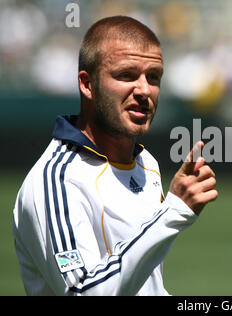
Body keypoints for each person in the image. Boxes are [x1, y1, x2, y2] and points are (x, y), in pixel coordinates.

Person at [12, 16, 218, 296]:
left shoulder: (147, 164)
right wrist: (173, 212)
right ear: (87, 84)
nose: (144, 90)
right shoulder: (56, 181)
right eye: (126, 75)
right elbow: (84, 292)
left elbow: (146, 285)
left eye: (153, 77)